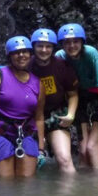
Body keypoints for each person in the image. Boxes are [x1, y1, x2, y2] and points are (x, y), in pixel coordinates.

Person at [0, 36, 47, 177]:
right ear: (10, 56)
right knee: (5, 183)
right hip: (0, 132)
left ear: (30, 54)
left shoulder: (38, 83)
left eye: (24, 51)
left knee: (27, 182)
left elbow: (39, 117)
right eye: (16, 52)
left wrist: (40, 149)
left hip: (26, 133)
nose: (21, 55)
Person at [54, 23, 98, 171]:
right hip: (82, 100)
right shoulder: (59, 57)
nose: (72, 45)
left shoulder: (91, 53)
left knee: (92, 149)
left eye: (76, 41)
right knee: (83, 151)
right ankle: (82, 190)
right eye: (67, 42)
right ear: (62, 44)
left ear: (82, 42)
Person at [29, 28, 79, 173]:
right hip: (30, 117)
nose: (44, 50)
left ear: (53, 48)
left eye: (48, 46)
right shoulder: (26, 66)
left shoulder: (62, 66)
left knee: (64, 159)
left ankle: (72, 195)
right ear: (34, 47)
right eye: (40, 46)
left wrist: (70, 114)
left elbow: (73, 94)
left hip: (54, 115)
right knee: (30, 163)